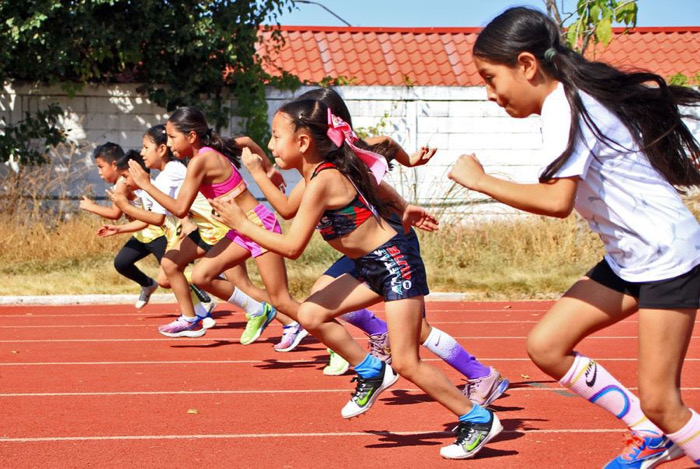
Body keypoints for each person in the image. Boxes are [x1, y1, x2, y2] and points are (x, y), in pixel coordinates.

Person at [447, 7, 700, 468]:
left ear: (526, 65)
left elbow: (556, 201)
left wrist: (481, 181)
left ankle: (658, 427)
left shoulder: (566, 104)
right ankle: (648, 435)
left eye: (490, 77)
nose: (489, 94)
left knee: (663, 402)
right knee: (547, 346)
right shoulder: (567, 100)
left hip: (667, 256)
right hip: (632, 258)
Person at [210, 97, 503, 460]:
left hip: (394, 264)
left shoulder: (325, 179)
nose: (269, 145)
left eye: (274, 136)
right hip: (367, 265)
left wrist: (242, 223)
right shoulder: (314, 174)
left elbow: (291, 246)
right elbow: (287, 209)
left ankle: (477, 418)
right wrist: (256, 177)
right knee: (311, 314)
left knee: (407, 362)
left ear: (303, 142)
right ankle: (370, 370)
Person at [128, 108, 306, 348]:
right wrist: (269, 168)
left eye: (172, 137)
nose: (168, 144)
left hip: (257, 223)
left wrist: (146, 185)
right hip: (238, 228)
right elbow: (246, 141)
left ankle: (327, 337)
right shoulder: (210, 150)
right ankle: (258, 310)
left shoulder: (200, 161)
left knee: (280, 298)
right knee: (202, 275)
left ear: (191, 136)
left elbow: (180, 209)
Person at [101, 126, 218, 329]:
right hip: (182, 230)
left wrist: (125, 206)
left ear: (162, 149)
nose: (143, 152)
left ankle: (207, 293)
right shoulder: (164, 177)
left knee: (173, 274)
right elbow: (173, 210)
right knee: (169, 273)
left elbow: (158, 218)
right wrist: (120, 225)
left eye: (146, 147)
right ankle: (197, 313)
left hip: (203, 229)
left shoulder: (169, 174)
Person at [80, 143, 164, 309]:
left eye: (101, 167)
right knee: (122, 263)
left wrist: (91, 207)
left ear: (114, 165)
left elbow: (115, 214)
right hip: (141, 233)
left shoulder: (123, 183)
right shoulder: (124, 180)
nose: (99, 172)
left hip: (157, 233)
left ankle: (202, 294)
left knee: (171, 274)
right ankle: (148, 284)